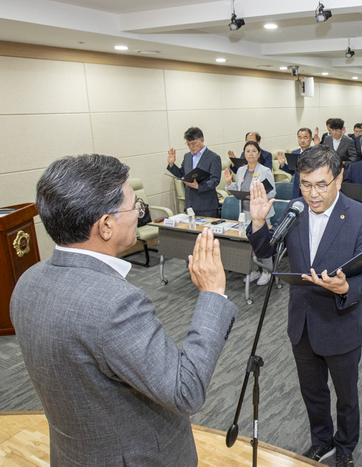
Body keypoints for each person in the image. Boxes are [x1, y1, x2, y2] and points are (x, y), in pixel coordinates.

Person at [11, 154, 237, 466]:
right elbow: (185, 391)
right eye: (135, 208)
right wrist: (212, 293)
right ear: (106, 225)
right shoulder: (115, 303)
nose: (139, 215)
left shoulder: (27, 282)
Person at [246, 145, 362, 467]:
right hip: (302, 323)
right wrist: (257, 222)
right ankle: (322, 441)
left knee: (346, 398)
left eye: (321, 184)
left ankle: (346, 446)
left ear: (339, 178)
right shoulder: (295, 210)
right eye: (306, 184)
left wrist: (348, 286)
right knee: (313, 393)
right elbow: (267, 250)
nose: (313, 193)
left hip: (341, 323)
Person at [225, 141, 277, 285]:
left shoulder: (265, 171)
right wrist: (229, 184)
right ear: (244, 154)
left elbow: (273, 192)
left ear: (259, 153)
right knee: (250, 244)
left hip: (261, 214)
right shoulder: (241, 170)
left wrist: (259, 197)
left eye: (254, 151)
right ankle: (254, 271)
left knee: (264, 243)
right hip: (245, 213)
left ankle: (267, 271)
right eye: (248, 151)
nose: (251, 154)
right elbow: (238, 191)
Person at [167, 126, 222, 217]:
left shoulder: (213, 157)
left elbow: (215, 180)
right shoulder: (187, 156)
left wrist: (199, 186)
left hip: (206, 204)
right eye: (188, 144)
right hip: (190, 204)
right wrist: (171, 165)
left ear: (202, 140)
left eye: (193, 143)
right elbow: (182, 174)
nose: (191, 147)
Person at [277, 127, 314, 199]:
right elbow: (292, 171)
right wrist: (283, 164)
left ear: (311, 138)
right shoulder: (294, 153)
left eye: (305, 137)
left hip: (310, 187)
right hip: (297, 188)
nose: (302, 140)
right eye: (300, 138)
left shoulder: (315, 153)